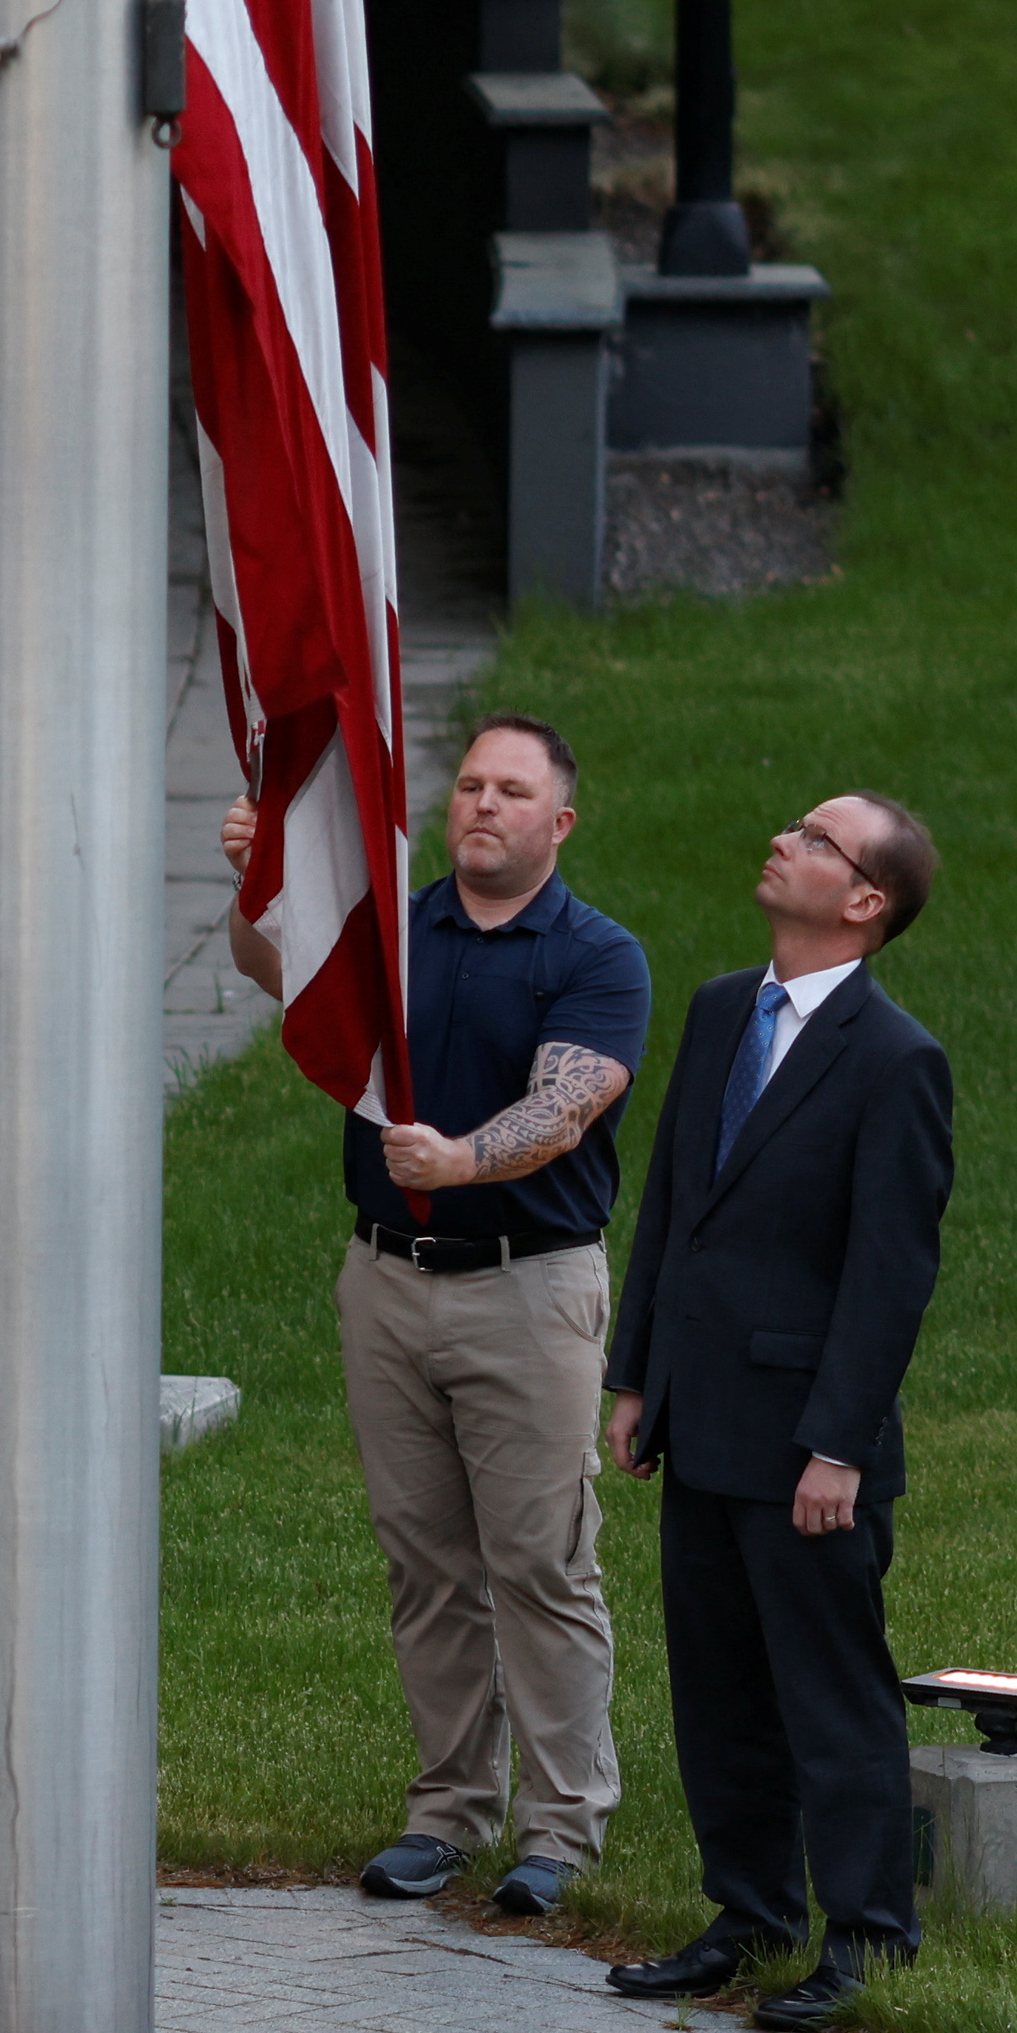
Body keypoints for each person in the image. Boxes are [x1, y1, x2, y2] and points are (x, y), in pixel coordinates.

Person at [220, 714, 654, 1918]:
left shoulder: (598, 954)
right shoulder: (398, 932)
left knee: (542, 1561)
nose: (482, 805)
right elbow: (282, 974)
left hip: (529, 1285)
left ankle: (562, 1828)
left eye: (512, 791)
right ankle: (449, 1810)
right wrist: (258, 879)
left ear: (557, 822)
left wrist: (462, 1156)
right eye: (469, 783)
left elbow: (567, 1105)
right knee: (424, 1563)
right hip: (388, 1281)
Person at [602, 792, 955, 2033]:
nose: (783, 840)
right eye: (795, 826)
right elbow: (672, 1207)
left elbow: (887, 1273)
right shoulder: (717, 1011)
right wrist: (636, 1376)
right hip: (702, 1416)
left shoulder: (895, 1058)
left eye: (817, 838)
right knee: (717, 1683)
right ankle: (747, 1910)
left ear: (864, 901)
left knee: (828, 1688)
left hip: (809, 1444)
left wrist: (836, 1443)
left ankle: (865, 1930)